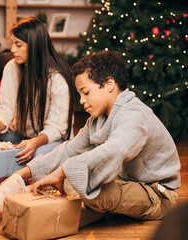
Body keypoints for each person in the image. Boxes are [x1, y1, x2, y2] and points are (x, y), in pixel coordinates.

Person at [14, 50, 181, 227]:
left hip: (158, 194)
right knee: (73, 179)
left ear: (109, 84)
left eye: (86, 92)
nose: (81, 101)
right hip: (130, 184)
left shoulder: (134, 114)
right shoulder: (96, 120)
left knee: (77, 182)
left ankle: (99, 209)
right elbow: (69, 150)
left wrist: (62, 172)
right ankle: (97, 212)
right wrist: (19, 175)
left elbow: (116, 148)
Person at [0, 17, 76, 164]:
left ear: (34, 46)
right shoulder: (11, 67)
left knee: (39, 154)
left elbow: (57, 128)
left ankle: (7, 154)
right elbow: (6, 108)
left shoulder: (57, 78)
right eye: (13, 43)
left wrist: (35, 142)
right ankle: (12, 153)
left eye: (18, 45)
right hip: (18, 136)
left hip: (48, 140)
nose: (13, 49)